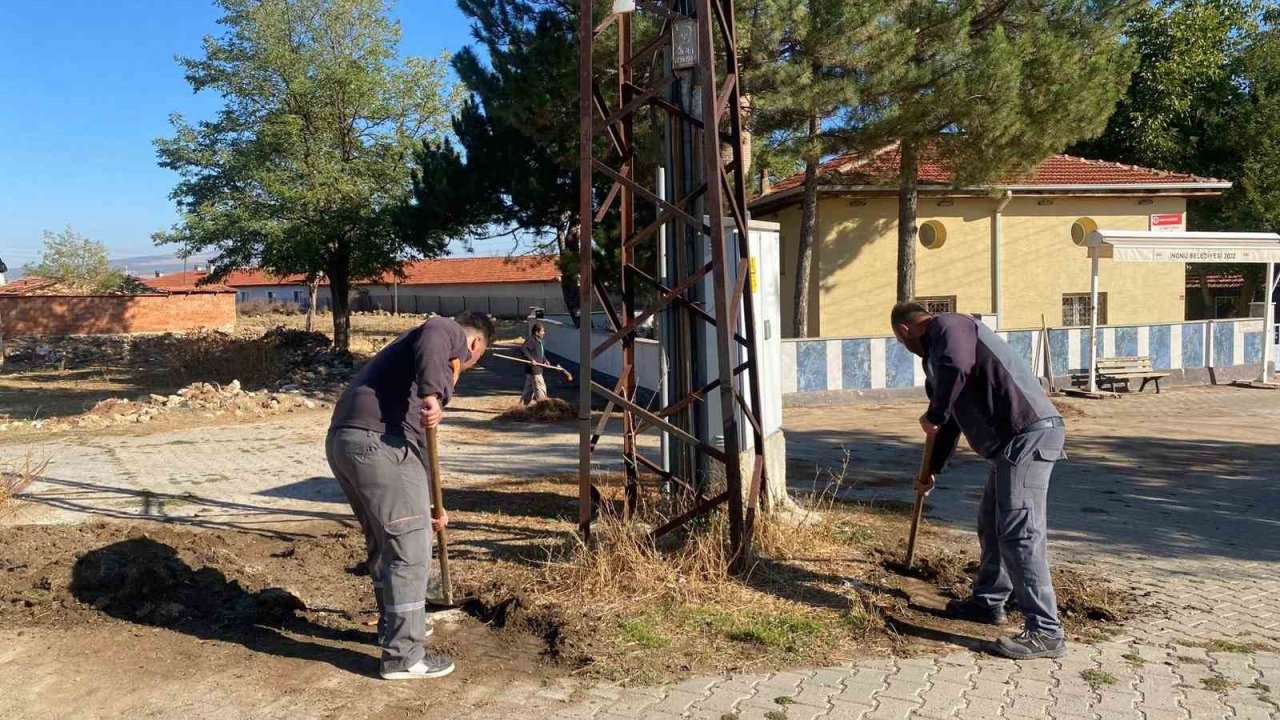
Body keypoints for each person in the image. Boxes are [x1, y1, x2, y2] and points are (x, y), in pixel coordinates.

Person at [890, 301, 1068, 660]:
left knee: (1020, 532)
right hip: (1009, 446)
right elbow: (948, 423)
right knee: (991, 523)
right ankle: (988, 603)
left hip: (1028, 435)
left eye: (900, 340)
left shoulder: (949, 326)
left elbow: (954, 373)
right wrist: (930, 471)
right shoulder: (935, 364)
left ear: (904, 331)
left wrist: (935, 411)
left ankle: (1046, 631)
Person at [326, 311, 494, 680]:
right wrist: (434, 394)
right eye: (473, 360)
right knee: (410, 548)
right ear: (476, 345)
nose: (465, 367)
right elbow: (436, 327)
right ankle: (404, 656)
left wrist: (433, 504)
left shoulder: (404, 359)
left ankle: (395, 627)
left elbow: (419, 447)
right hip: (379, 444)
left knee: (388, 541)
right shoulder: (448, 331)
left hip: (348, 442)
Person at [519, 322, 549, 405]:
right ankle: (543, 406)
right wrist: (531, 359)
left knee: (528, 390)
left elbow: (540, 353)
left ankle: (523, 406)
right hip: (534, 370)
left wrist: (545, 360)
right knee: (540, 388)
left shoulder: (541, 341)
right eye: (542, 331)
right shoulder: (532, 340)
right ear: (536, 332)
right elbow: (523, 349)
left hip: (535, 370)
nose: (544, 333)